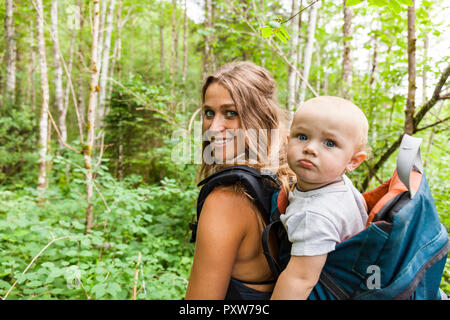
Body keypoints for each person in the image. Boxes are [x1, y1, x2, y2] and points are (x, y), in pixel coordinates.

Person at [185, 61, 294, 300]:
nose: (213, 127)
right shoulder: (282, 180)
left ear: (258, 117)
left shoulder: (228, 198)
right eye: (209, 113)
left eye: (230, 113)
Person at [271, 96, 369, 300]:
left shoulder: (313, 215)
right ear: (288, 143)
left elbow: (299, 280)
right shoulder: (339, 182)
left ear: (353, 161)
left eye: (330, 143)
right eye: (302, 136)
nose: (310, 148)